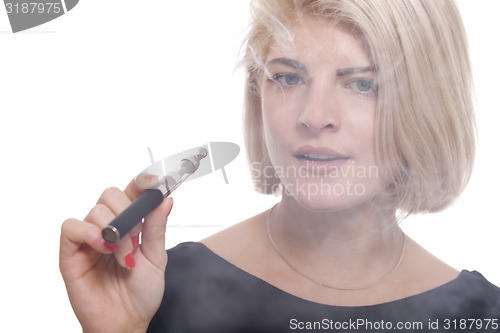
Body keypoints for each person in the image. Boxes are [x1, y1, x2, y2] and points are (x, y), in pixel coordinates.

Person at [59, 0, 500, 332]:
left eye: (363, 84)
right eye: (288, 77)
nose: (314, 115)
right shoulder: (160, 293)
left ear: (427, 105)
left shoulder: (483, 316)